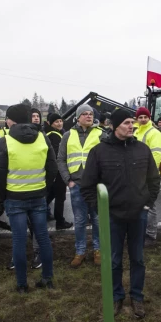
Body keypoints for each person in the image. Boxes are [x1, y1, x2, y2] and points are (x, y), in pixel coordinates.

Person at [81, 109, 160, 319]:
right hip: (112, 217)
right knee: (114, 260)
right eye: (127, 123)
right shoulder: (99, 152)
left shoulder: (142, 150)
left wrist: (146, 204)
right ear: (115, 126)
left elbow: (154, 180)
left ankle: (137, 297)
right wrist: (100, 210)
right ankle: (117, 296)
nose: (131, 126)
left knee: (138, 259)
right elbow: (87, 186)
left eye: (132, 122)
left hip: (138, 215)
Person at [0, 104, 57, 293]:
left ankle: (21, 284)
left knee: (19, 241)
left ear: (11, 120)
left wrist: (4, 196)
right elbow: (52, 169)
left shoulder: (5, 141)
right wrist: (44, 189)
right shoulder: (43, 138)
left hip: (14, 198)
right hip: (38, 195)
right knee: (43, 238)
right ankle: (47, 278)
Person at [57, 104, 103, 267]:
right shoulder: (68, 135)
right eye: (85, 114)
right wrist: (68, 180)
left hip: (96, 186)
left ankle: (98, 250)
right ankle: (80, 251)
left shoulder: (101, 134)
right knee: (80, 220)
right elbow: (61, 159)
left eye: (90, 114)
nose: (89, 116)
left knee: (98, 220)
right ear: (78, 117)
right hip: (76, 185)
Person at [134, 107, 161, 246]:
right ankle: (142, 232)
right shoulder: (137, 132)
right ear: (137, 119)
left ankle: (151, 235)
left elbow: (156, 155)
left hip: (148, 175)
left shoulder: (154, 133)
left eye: (145, 117)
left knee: (150, 205)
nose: (143, 119)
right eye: (140, 117)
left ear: (149, 118)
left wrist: (149, 173)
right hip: (138, 174)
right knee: (140, 204)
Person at [46, 113, 73, 230]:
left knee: (52, 193)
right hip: (59, 170)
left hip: (55, 170)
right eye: (56, 122)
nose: (60, 123)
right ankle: (60, 222)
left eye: (61, 121)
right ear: (51, 124)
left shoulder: (57, 133)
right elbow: (58, 155)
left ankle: (39, 211)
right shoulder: (54, 135)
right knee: (60, 196)